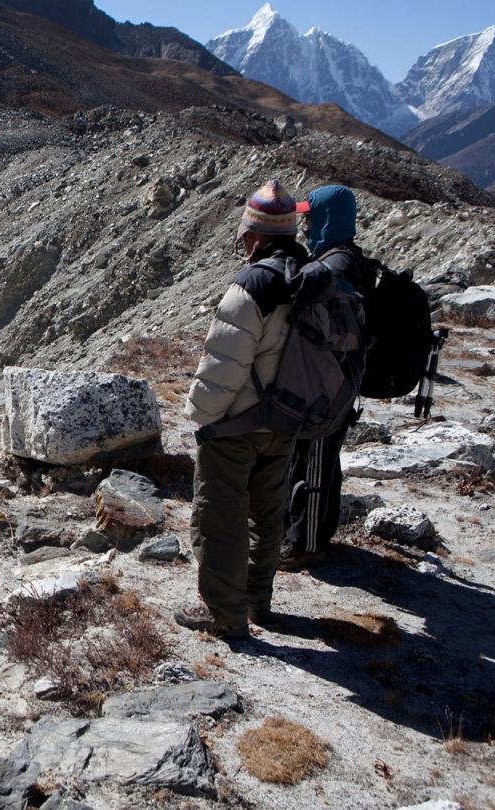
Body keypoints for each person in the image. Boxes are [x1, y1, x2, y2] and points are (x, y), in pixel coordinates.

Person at [176, 180, 308, 638]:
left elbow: (225, 363)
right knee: (267, 515)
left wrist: (202, 416)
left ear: (253, 233)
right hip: (289, 420)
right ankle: (258, 601)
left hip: (238, 423)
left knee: (220, 518)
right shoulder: (310, 276)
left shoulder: (253, 284)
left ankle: (223, 615)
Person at [281, 185, 376, 569]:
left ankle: (309, 544)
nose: (305, 226)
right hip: (329, 376)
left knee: (317, 459)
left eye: (309, 219)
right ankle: (299, 532)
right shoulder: (343, 258)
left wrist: (284, 264)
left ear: (327, 219)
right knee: (312, 457)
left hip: (331, 382)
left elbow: (303, 287)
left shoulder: (338, 265)